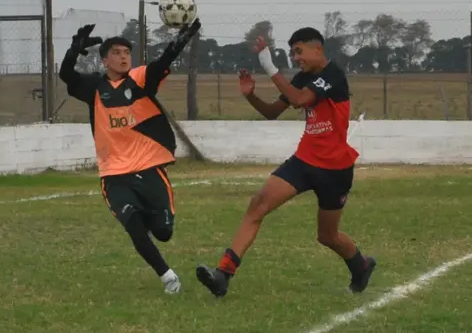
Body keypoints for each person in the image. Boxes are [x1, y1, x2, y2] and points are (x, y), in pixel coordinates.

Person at [195, 27, 376, 298]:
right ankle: (223, 274)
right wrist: (250, 96)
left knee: (327, 236)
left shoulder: (334, 75)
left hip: (335, 168)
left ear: (318, 49)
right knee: (258, 205)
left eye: (299, 51)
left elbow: (299, 99)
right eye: (292, 53)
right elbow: (272, 112)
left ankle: (361, 266)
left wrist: (269, 66)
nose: (295, 58)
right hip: (304, 161)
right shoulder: (304, 77)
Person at [59, 19, 201, 294]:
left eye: (126, 53)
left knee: (163, 232)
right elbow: (67, 75)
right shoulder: (94, 88)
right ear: (104, 61)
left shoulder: (139, 80)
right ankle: (168, 276)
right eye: (116, 53)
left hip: (149, 167)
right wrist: (74, 50)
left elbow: (162, 63)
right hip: (113, 173)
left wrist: (180, 41)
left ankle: (147, 218)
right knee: (133, 227)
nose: (123, 57)